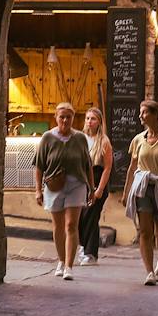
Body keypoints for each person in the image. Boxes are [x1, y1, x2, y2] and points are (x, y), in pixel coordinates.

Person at [121, 99, 158, 286]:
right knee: (145, 231)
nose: (140, 116)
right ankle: (149, 271)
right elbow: (131, 167)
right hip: (142, 187)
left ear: (154, 115)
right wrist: (126, 191)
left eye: (144, 112)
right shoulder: (138, 139)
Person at [34, 102, 93, 280]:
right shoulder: (47, 138)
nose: (65, 120)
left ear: (73, 118)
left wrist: (91, 187)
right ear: (56, 118)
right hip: (54, 186)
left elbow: (87, 164)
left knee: (71, 225)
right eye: (62, 117)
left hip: (76, 185)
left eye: (68, 117)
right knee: (58, 226)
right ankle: (60, 260)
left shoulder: (80, 138)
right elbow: (39, 166)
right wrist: (37, 190)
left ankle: (69, 266)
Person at [76, 106, 114, 267]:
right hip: (81, 182)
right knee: (79, 217)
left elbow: (107, 168)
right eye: (87, 118)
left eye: (93, 119)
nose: (90, 121)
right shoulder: (80, 138)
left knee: (90, 217)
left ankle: (90, 253)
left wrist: (99, 189)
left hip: (97, 180)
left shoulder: (103, 141)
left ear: (99, 122)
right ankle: (83, 246)